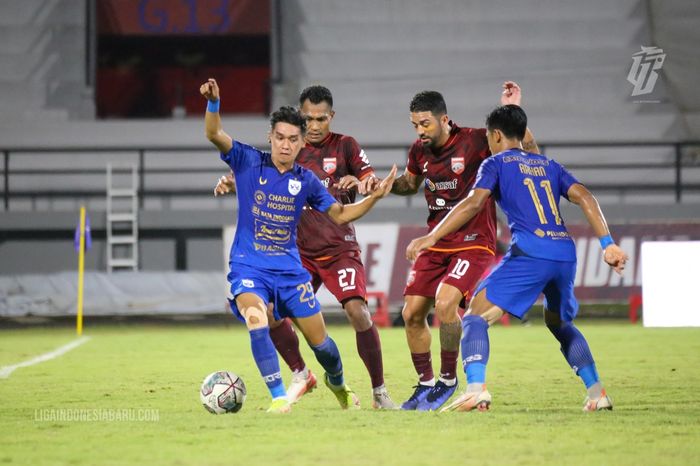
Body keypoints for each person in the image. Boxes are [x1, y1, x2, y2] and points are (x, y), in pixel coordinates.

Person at [406, 104, 628, 412]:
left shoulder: (494, 164)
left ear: (495, 135)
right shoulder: (549, 165)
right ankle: (596, 392)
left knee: (474, 316)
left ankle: (475, 389)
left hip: (531, 253)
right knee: (560, 323)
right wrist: (608, 244)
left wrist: (432, 236)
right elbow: (586, 197)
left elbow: (472, 205)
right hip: (564, 253)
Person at [201, 78, 397, 413]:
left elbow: (339, 214)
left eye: (293, 139)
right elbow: (214, 134)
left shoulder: (305, 179)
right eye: (280, 138)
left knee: (323, 345)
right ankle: (280, 394)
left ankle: (337, 381)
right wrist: (214, 103)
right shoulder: (247, 160)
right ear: (270, 137)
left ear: (301, 142)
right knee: (256, 317)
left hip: (292, 271)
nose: (286, 145)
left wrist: (375, 197)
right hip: (249, 267)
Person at [389, 82, 539, 411]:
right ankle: (426, 384)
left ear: (445, 119)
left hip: (474, 242)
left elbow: (526, 154)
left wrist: (515, 116)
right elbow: (411, 185)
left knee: (445, 305)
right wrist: (385, 186)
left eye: (425, 123)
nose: (420, 130)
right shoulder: (419, 150)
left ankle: (447, 380)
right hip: (437, 241)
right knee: (411, 314)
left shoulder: (475, 140)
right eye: (415, 124)